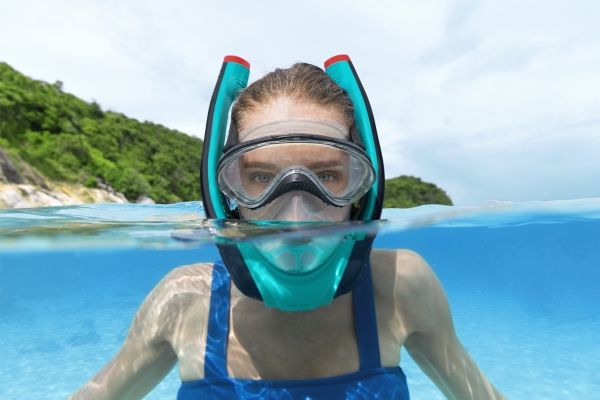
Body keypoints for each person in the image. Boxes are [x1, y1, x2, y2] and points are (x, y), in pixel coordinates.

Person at [71, 55, 505, 399]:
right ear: (225, 194)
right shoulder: (183, 299)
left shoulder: (399, 285)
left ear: (361, 191)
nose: (296, 216)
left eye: (328, 175)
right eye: (261, 177)